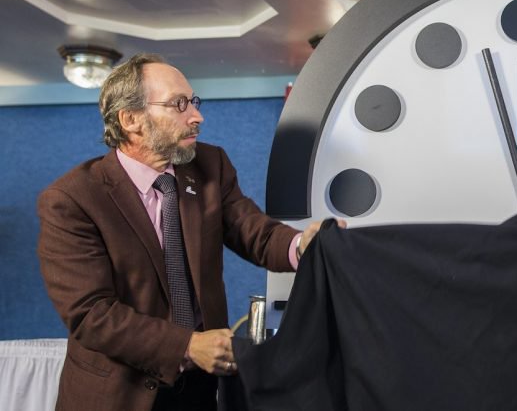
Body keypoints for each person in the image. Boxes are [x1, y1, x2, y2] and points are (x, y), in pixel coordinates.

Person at [37, 53, 342, 411]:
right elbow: (91, 315)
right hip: (118, 394)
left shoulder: (210, 166)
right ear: (131, 119)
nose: (197, 116)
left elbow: (253, 232)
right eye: (179, 104)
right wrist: (187, 345)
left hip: (199, 388)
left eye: (193, 102)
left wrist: (302, 244)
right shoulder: (72, 199)